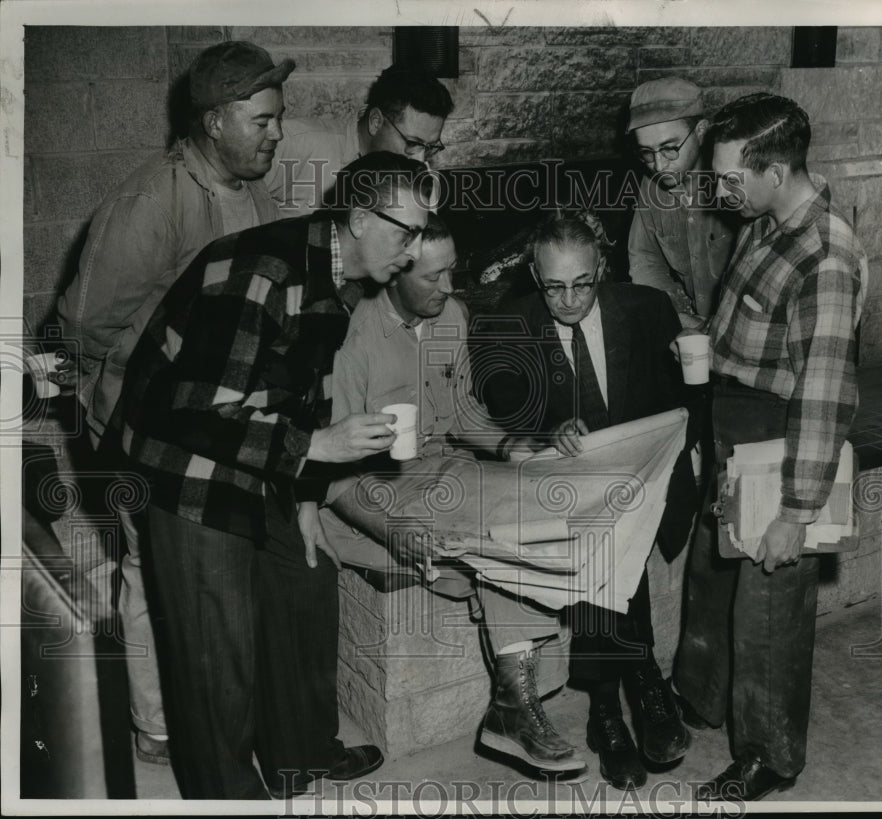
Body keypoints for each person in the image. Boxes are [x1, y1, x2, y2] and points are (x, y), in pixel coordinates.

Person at [118, 152, 432, 799]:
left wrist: (309, 495)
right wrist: (315, 444)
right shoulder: (264, 270)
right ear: (356, 216)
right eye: (405, 232)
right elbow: (191, 410)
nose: (413, 251)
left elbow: (301, 390)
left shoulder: (343, 277)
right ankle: (229, 793)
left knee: (307, 576)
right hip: (183, 469)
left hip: (257, 450)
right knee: (218, 660)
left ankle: (299, 755)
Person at [55, 40, 294, 766]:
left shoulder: (254, 190)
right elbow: (80, 323)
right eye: (261, 120)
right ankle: (156, 726)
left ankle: (223, 712)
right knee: (155, 578)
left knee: (217, 576)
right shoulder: (150, 202)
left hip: (224, 427)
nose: (275, 133)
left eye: (277, 118)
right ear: (214, 121)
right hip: (147, 427)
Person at [300, 214, 587, 778]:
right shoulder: (350, 335)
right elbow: (329, 476)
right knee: (486, 544)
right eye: (433, 277)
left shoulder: (451, 315)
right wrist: (391, 532)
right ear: (396, 273)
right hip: (371, 492)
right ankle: (516, 705)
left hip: (441, 474)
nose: (450, 287)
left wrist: (514, 448)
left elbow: (464, 416)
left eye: (452, 271)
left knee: (528, 511)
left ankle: (513, 703)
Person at [675, 93, 867, 802]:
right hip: (732, 426)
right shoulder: (766, 216)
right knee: (711, 575)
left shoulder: (825, 253)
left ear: (777, 170)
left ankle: (769, 752)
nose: (720, 192)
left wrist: (795, 508)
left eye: (730, 179)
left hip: (779, 440)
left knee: (768, 607)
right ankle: (700, 697)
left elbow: (824, 393)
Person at [471, 211, 702, 791]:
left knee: (613, 525)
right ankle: (635, 682)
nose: (569, 299)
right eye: (553, 286)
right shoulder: (508, 324)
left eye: (582, 283)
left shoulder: (647, 310)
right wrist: (549, 430)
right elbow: (503, 410)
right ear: (533, 273)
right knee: (601, 532)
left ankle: (607, 708)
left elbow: (684, 404)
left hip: (644, 482)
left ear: (601, 267)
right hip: (563, 492)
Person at [265, 63, 453, 216]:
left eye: (429, 147)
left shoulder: (420, 180)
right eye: (412, 143)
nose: (419, 159)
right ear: (376, 122)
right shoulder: (297, 143)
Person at [626, 78, 738, 330]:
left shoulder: (734, 184)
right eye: (646, 152)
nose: (658, 165)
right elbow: (645, 259)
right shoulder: (651, 184)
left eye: (669, 148)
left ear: (700, 131)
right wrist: (678, 314)